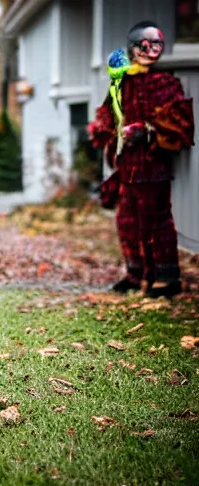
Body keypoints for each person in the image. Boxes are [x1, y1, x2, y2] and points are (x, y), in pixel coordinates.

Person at [89, 21, 195, 298]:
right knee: (127, 222)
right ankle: (135, 275)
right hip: (127, 168)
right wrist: (104, 129)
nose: (150, 50)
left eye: (156, 45)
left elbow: (180, 123)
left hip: (153, 166)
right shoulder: (122, 84)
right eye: (143, 45)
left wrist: (146, 131)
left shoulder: (166, 83)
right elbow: (107, 114)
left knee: (156, 221)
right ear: (132, 49)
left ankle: (165, 278)